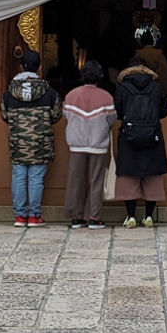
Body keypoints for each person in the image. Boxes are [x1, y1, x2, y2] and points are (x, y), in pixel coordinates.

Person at [0, 49, 63, 228]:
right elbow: (57, 115)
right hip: (41, 142)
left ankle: (20, 216)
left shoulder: (9, 92)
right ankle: (34, 216)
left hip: (18, 141)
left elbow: (4, 115)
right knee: (36, 178)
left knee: (19, 176)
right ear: (39, 67)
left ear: (21, 67)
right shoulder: (49, 92)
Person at [112, 54, 167, 227]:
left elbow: (117, 111)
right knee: (152, 174)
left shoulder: (123, 87)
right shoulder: (156, 87)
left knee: (129, 173)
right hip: (153, 135)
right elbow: (165, 111)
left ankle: (130, 216)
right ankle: (148, 216)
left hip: (128, 135)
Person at [62, 61, 117, 229]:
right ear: (99, 77)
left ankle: (76, 217)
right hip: (97, 143)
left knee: (75, 180)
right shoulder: (106, 96)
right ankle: (94, 217)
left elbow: (66, 115)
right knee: (96, 180)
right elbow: (112, 119)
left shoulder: (72, 95)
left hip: (77, 144)